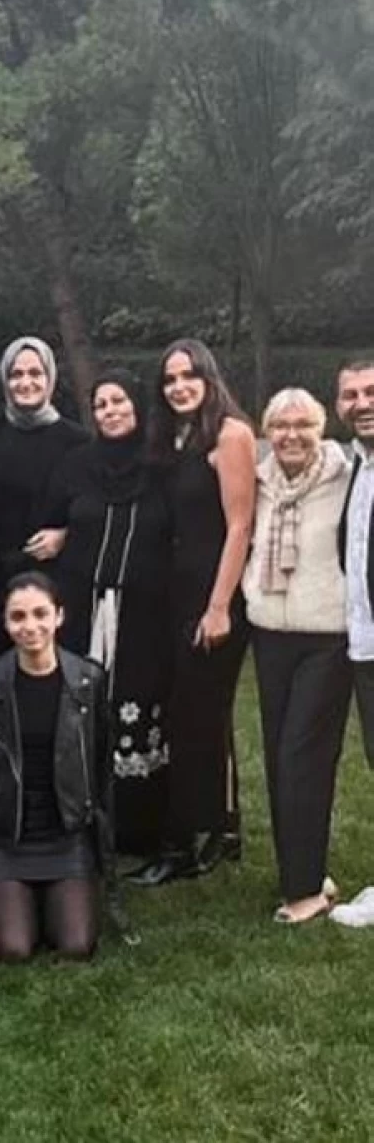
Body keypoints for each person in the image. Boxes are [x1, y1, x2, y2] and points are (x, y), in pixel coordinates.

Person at [130, 340, 255, 887]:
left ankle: (183, 844)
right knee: (198, 715)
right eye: (170, 379)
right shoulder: (175, 438)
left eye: (189, 376)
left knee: (194, 719)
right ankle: (224, 826)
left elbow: (240, 525)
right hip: (173, 595)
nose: (179, 386)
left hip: (214, 596)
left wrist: (220, 606)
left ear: (209, 377)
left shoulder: (231, 434)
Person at [0, 572, 114, 964]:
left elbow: (101, 771)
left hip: (66, 836)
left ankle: (60, 891)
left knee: (76, 946)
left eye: (40, 613)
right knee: (13, 949)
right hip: (3, 837)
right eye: (18, 616)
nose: (30, 626)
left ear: (59, 616)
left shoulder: (88, 681)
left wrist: (101, 854)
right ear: (5, 623)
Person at [40, 369, 172, 856]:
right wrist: (60, 535)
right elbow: (50, 520)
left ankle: (136, 829)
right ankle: (73, 818)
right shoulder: (76, 465)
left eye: (119, 401)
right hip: (80, 608)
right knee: (78, 705)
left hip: (144, 615)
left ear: (137, 405)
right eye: (100, 404)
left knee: (136, 706)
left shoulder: (161, 465)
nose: (110, 411)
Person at [242, 388, 350, 924]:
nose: (291, 435)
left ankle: (305, 891)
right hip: (270, 634)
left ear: (321, 429)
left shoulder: (346, 478)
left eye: (302, 425)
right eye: (280, 426)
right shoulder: (259, 481)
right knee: (278, 756)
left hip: (327, 637)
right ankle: (304, 870)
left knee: (302, 759)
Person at [0, 336, 88, 656]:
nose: (26, 382)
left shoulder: (77, 441)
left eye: (35, 373)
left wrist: (66, 535)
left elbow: (94, 506)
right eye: (16, 374)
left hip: (50, 577)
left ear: (50, 377)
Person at [330, 361, 374, 926]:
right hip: (364, 644)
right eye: (351, 395)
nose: (362, 402)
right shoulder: (357, 466)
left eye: (372, 391)